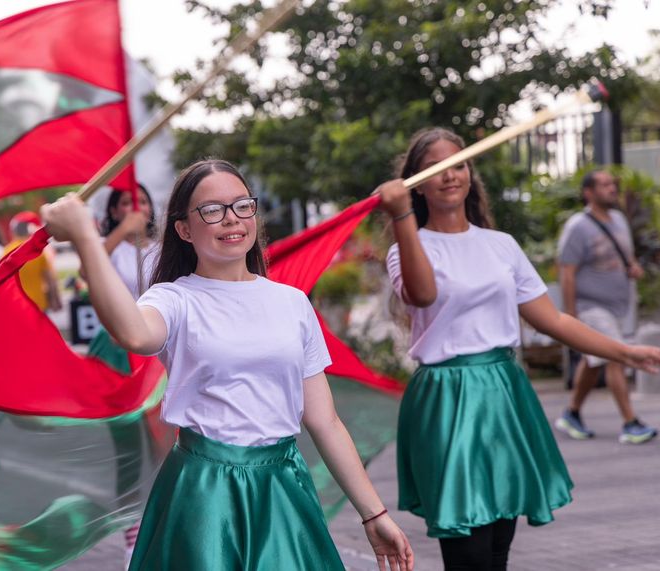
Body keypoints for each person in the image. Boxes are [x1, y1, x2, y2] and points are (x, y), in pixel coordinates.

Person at [41, 159, 414, 571]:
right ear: (184, 229)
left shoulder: (291, 303)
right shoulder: (174, 299)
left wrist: (374, 514)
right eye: (212, 210)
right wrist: (83, 238)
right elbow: (132, 333)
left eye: (241, 205)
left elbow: (325, 422)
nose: (231, 220)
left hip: (282, 489)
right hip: (203, 493)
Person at [379, 128, 660, 571]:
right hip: (446, 396)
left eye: (459, 164)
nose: (451, 176)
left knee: (498, 546)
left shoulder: (500, 246)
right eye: (435, 168)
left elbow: (552, 319)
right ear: (416, 181)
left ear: (471, 172)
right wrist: (401, 216)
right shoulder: (408, 247)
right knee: (467, 545)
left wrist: (624, 353)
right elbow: (421, 294)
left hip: (504, 391)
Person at [554, 170, 656, 444]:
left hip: (619, 307)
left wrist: (632, 266)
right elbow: (567, 272)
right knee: (616, 356)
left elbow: (626, 254)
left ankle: (572, 412)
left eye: (613, 183)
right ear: (588, 192)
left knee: (594, 359)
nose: (612, 188)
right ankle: (630, 422)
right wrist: (570, 315)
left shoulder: (620, 220)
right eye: (605, 185)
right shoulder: (578, 226)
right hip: (591, 307)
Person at [90, 185, 160, 568]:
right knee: (129, 448)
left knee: (170, 445)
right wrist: (120, 232)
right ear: (114, 211)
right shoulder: (108, 248)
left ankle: (171, 526)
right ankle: (132, 536)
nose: (137, 208)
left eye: (143, 201)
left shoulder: (163, 249)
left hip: (159, 352)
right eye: (125, 203)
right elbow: (89, 267)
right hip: (118, 354)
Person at [3, 211, 62, 313]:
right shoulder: (37, 251)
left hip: (15, 304)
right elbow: (50, 279)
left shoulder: (6, 252)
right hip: (37, 303)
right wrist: (55, 299)